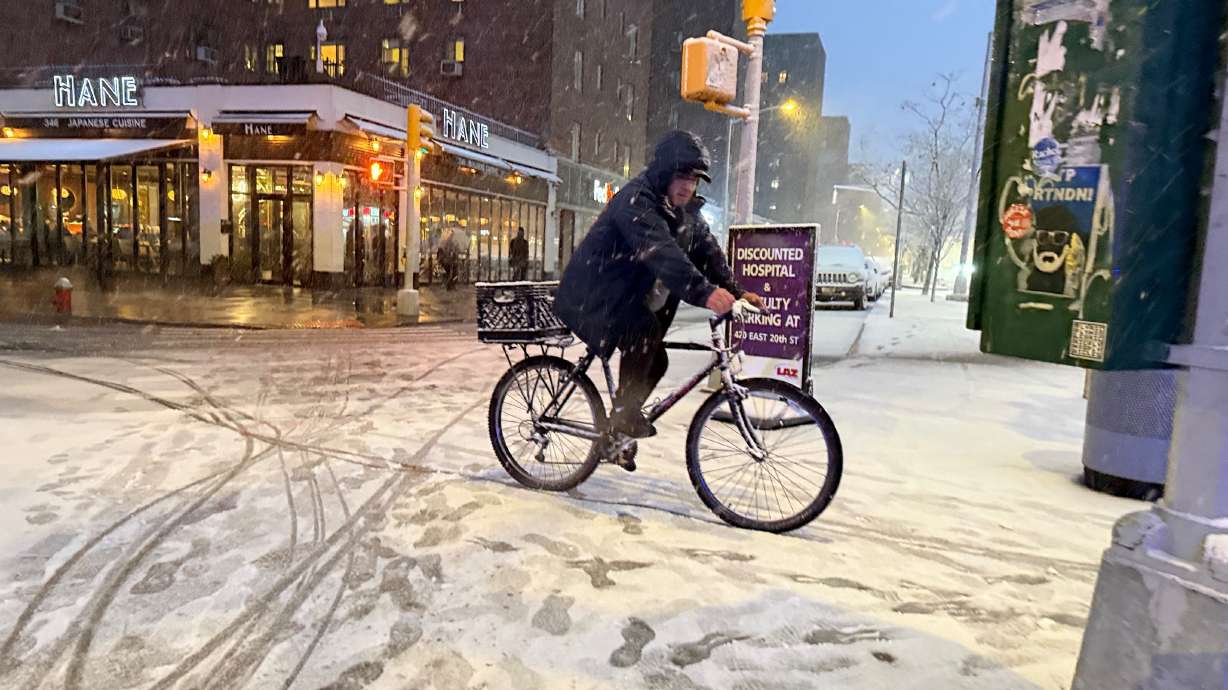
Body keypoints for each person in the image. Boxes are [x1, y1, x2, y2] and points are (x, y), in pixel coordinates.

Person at [554, 130, 762, 471]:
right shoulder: (636, 201)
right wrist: (706, 293)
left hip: (623, 298)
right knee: (644, 333)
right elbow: (661, 254)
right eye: (682, 176)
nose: (688, 186)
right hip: (592, 295)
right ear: (665, 172)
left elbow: (708, 253)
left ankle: (618, 428)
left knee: (657, 359)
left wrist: (735, 290)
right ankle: (622, 417)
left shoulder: (685, 213)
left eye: (694, 179)